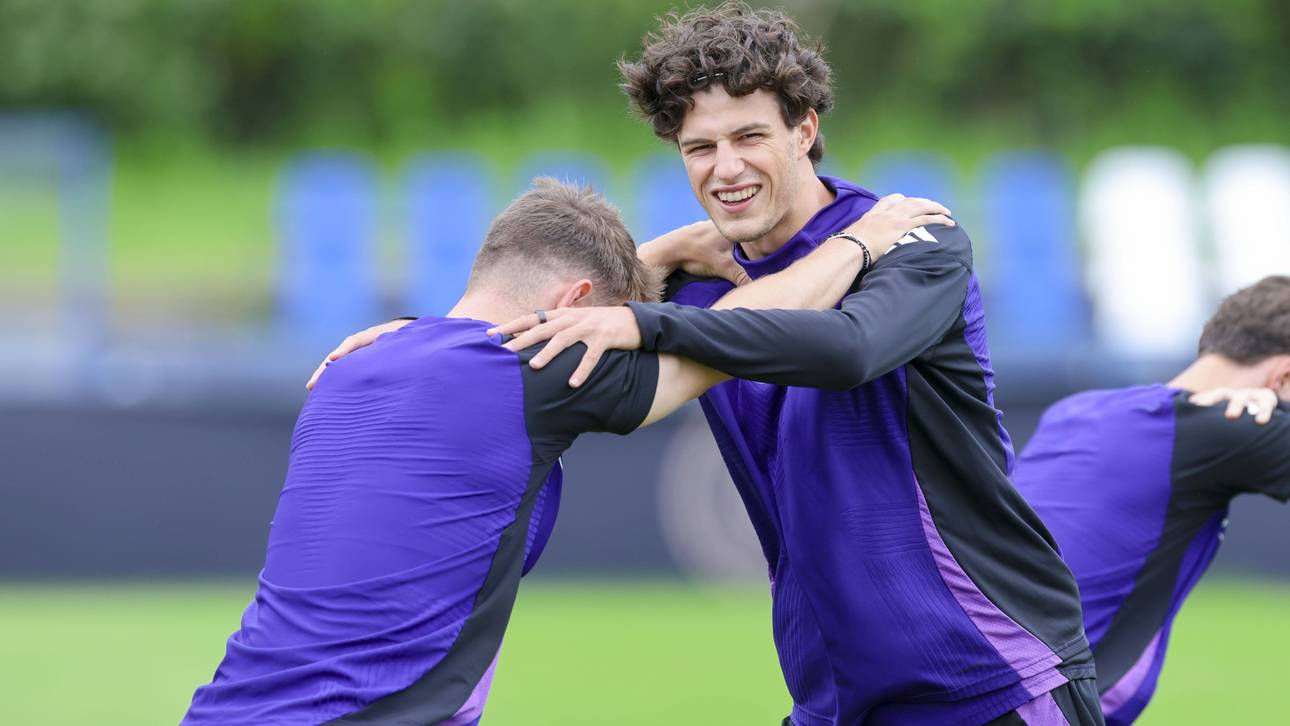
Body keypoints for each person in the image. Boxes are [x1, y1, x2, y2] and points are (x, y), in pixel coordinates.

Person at [486, 5, 1105, 725]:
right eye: (699, 147)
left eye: (749, 136)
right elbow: (521, 338)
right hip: (833, 699)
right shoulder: (693, 283)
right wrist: (652, 259)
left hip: (990, 678)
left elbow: (849, 349)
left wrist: (645, 317)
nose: (726, 168)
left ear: (805, 130)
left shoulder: (913, 241)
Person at [187, 178, 938, 725]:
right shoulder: (531, 370)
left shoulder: (359, 362)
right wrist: (859, 243)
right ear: (575, 308)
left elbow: (538, 306)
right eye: (607, 324)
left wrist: (665, 252)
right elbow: (729, 337)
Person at [1010, 276, 1290, 726]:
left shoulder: (1077, 409)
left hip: (966, 688)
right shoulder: (1240, 424)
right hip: (1044, 709)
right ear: (1283, 375)